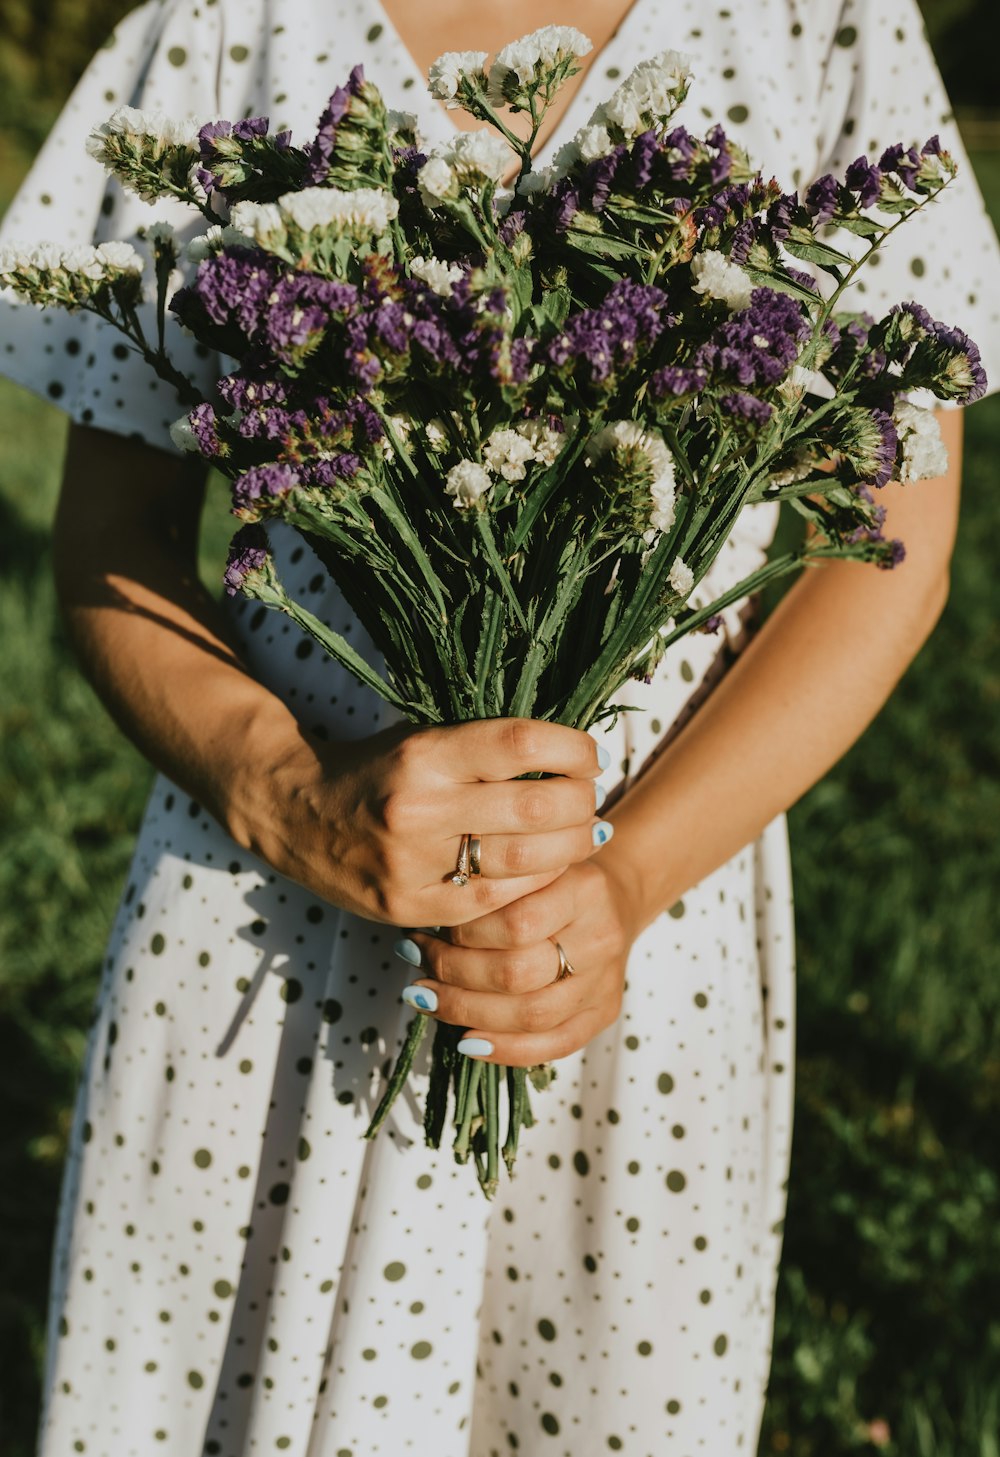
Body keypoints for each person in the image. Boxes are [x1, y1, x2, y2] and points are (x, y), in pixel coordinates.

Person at [2, 0, 999, 1452]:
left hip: (638, 974)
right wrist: (284, 791)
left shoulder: (823, 23)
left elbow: (889, 544)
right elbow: (111, 533)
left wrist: (626, 881)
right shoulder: (226, 21)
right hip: (267, 949)